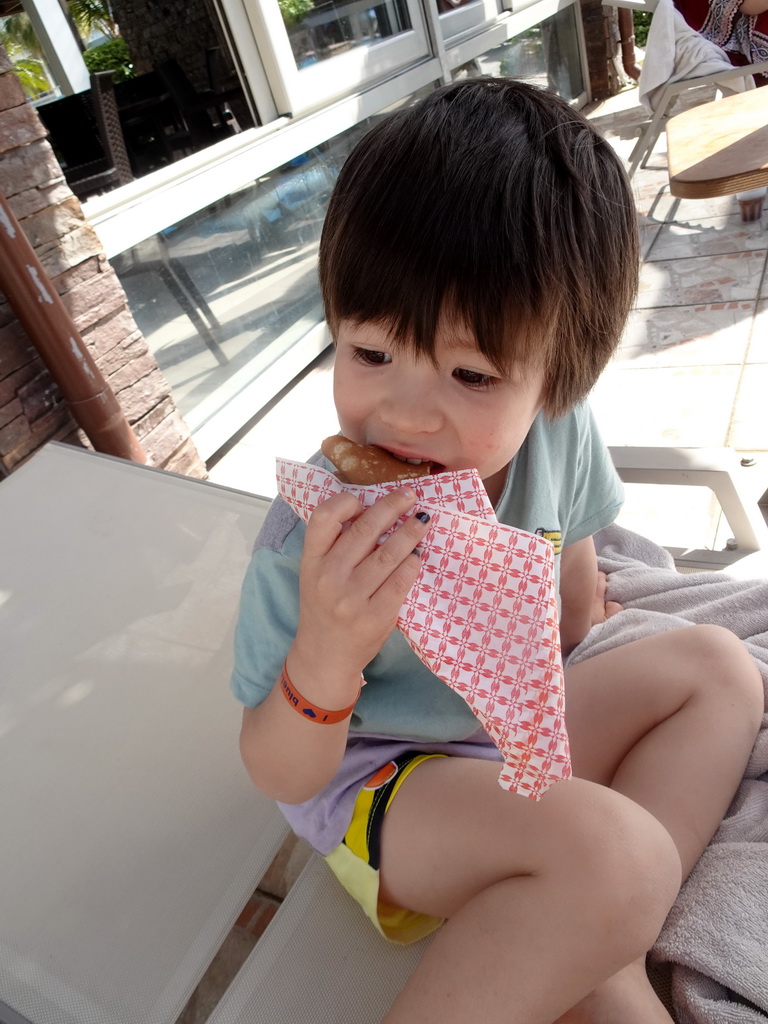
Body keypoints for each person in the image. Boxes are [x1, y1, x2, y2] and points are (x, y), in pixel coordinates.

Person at [232, 78, 763, 1023]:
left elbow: (571, 562)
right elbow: (280, 772)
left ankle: (595, 939)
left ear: (554, 377)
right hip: (384, 787)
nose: (403, 411)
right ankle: (598, 917)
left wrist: (580, 627)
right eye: (369, 353)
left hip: (509, 741)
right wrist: (327, 651)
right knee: (619, 857)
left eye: (472, 374)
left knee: (719, 667)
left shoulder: (557, 429)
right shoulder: (316, 537)